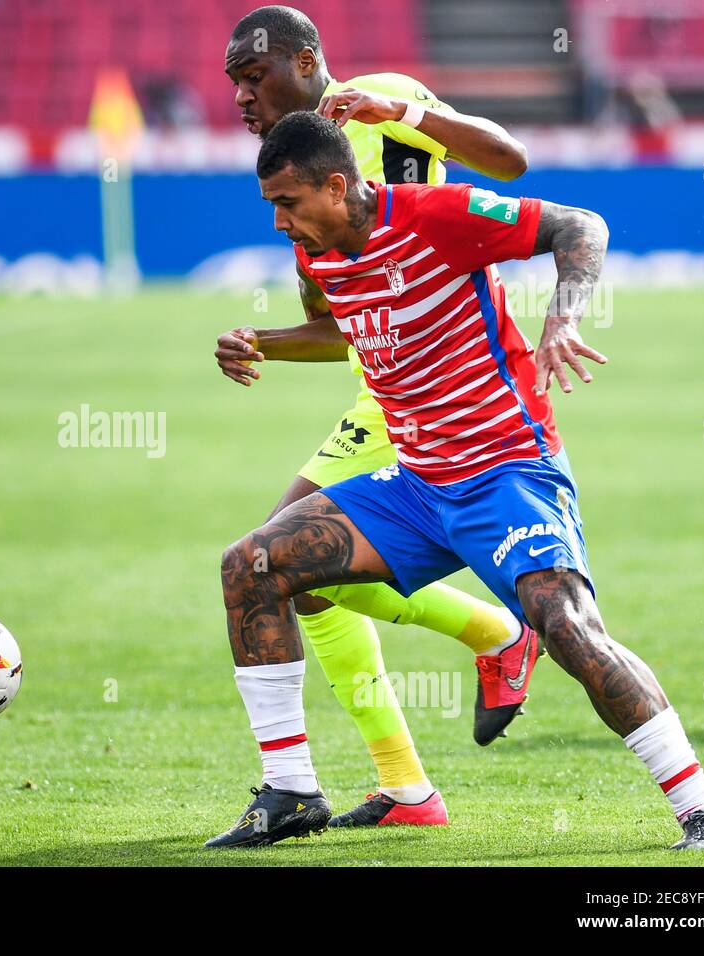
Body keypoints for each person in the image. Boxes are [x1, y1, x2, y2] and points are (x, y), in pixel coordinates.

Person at [205, 110, 704, 852]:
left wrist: (563, 318)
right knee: (252, 564)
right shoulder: (318, 256)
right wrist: (259, 342)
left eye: (287, 202)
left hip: (506, 470)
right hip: (415, 488)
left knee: (568, 627)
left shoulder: (437, 215)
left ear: (337, 184)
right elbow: (350, 330)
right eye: (270, 205)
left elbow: (580, 226)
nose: (278, 222)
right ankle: (292, 790)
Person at [216, 4, 536, 829]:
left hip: (446, 380)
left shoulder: (382, 101)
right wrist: (266, 343)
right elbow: (339, 329)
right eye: (235, 86)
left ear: (308, 60)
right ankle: (406, 787)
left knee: (271, 560)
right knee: (288, 572)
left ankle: (491, 641)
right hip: (383, 388)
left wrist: (403, 111)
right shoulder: (288, 176)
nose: (244, 98)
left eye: (255, 78)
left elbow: (509, 163)